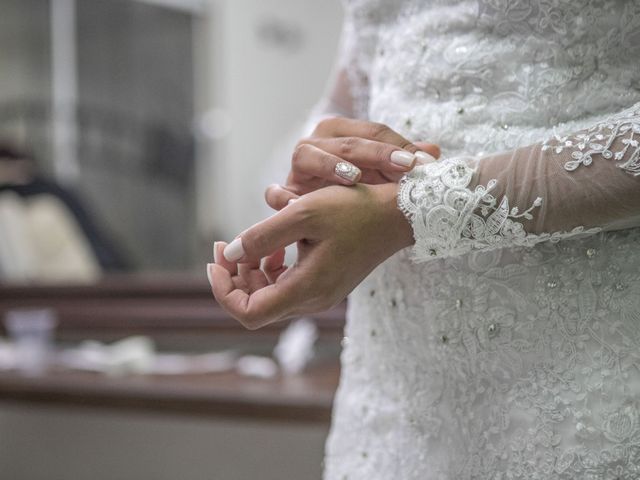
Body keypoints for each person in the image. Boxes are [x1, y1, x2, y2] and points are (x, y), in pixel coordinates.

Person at [207, 1, 640, 478]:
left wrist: (414, 211)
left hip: (577, 372)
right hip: (389, 395)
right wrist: (319, 163)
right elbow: (354, 90)